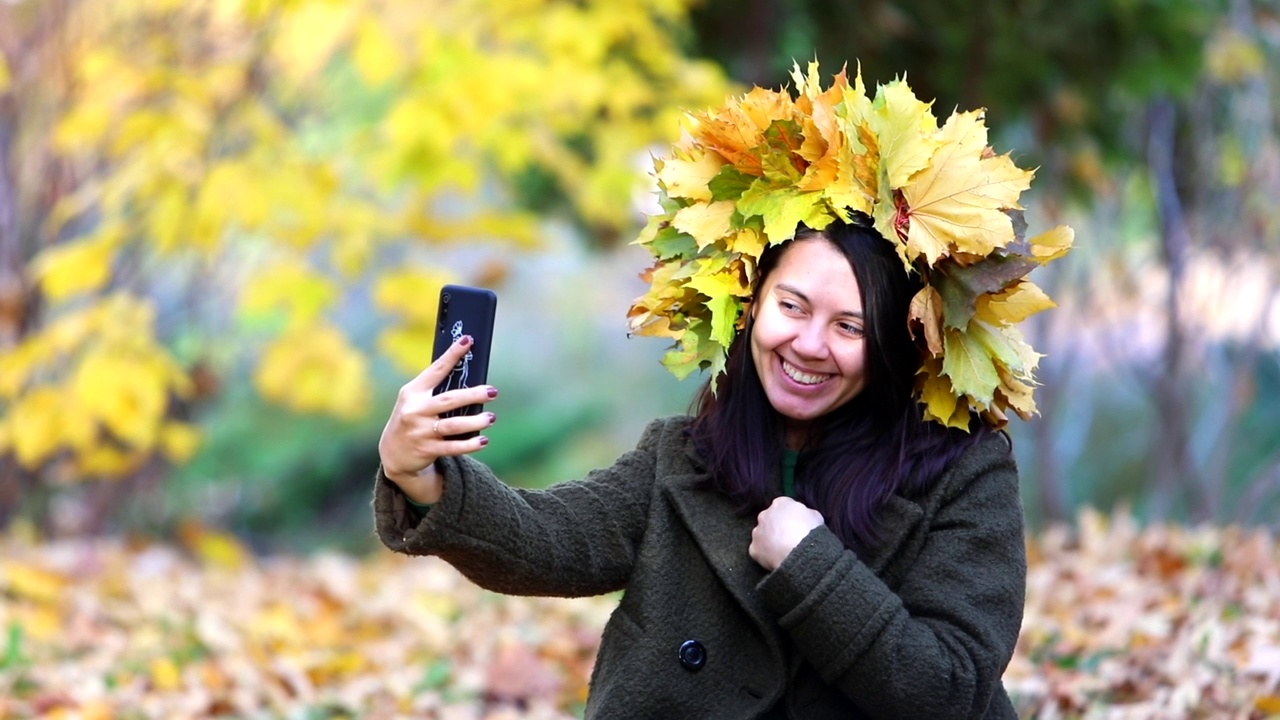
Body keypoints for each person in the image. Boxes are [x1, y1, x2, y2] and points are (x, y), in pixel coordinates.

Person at [373, 63, 1071, 719]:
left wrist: (811, 567)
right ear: (751, 305)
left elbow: (947, 690)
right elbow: (548, 540)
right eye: (791, 307)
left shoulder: (961, 474)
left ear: (894, 347)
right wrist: (423, 476)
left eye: (849, 326)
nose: (807, 344)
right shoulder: (685, 455)